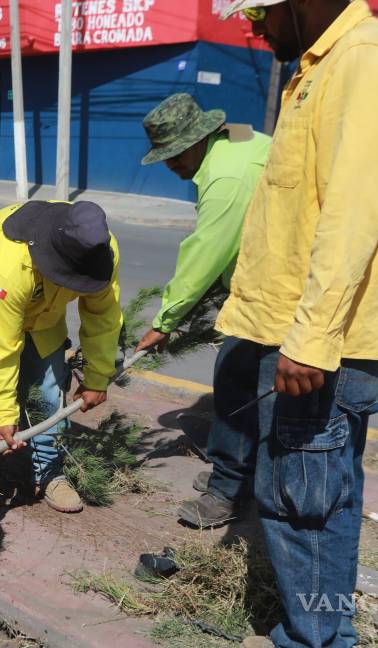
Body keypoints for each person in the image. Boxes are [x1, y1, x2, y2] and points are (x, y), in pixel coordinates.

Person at [216, 1, 378, 646]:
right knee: (323, 504)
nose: (253, 28)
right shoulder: (324, 65)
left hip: (319, 348)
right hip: (309, 336)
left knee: (300, 509)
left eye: (261, 12)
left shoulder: (361, 62)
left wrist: (310, 339)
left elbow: (351, 216)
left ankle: (317, 640)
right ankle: (327, 633)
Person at [131, 93, 271, 529]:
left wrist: (164, 320)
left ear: (198, 139)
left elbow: (207, 249)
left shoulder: (228, 176)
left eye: (173, 156)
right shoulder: (239, 139)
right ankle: (243, 475)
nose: (170, 166)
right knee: (249, 390)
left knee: (237, 387)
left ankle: (228, 490)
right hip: (267, 280)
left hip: (273, 294)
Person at [0, 201, 124, 513]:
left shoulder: (100, 250)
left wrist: (97, 377)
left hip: (41, 310)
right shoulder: (12, 262)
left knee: (49, 391)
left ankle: (50, 473)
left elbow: (103, 315)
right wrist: (5, 413)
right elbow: (0, 343)